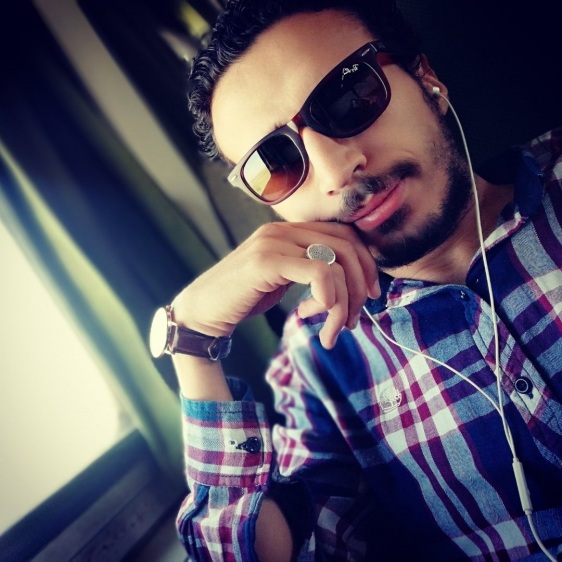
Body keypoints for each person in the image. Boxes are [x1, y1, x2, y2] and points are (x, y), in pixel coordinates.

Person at [149, 0, 562, 559]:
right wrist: (193, 340)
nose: (336, 171)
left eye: (349, 97)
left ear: (425, 78)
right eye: (276, 163)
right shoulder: (317, 361)